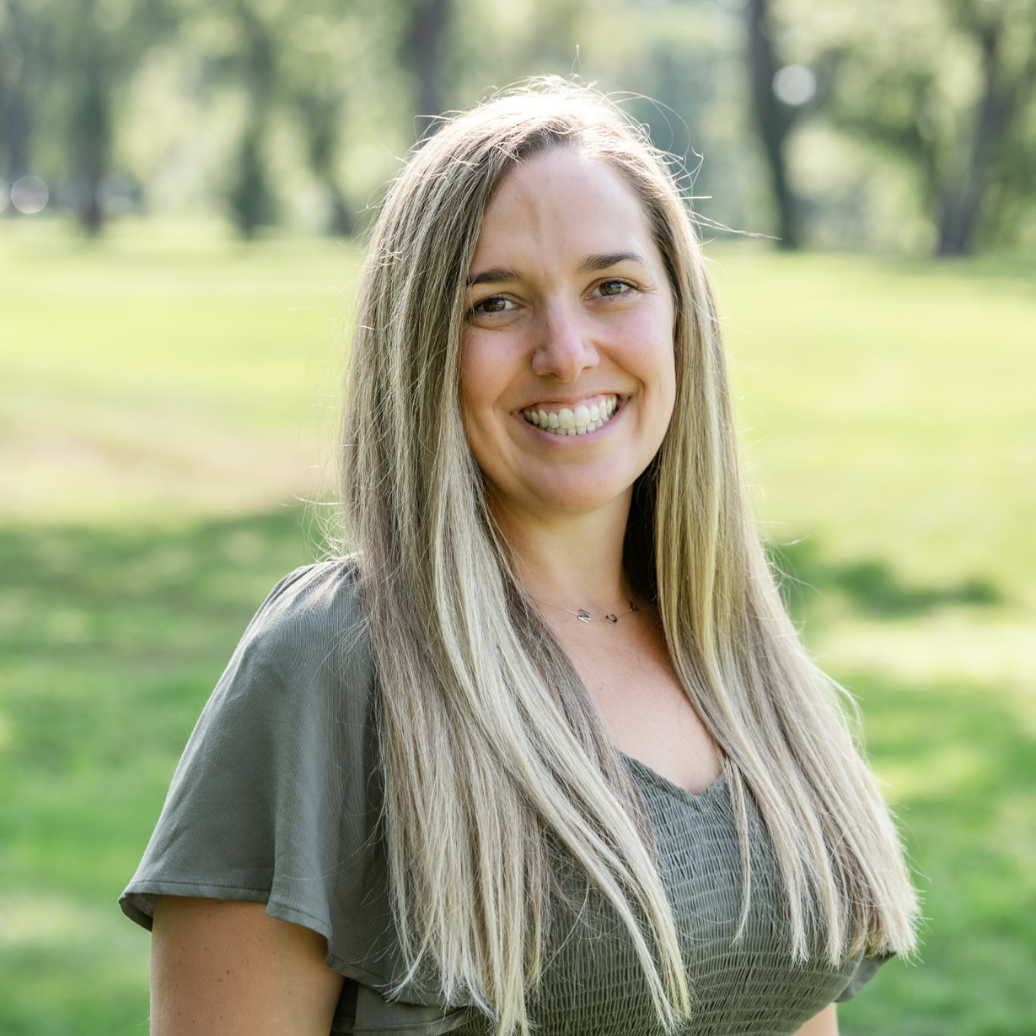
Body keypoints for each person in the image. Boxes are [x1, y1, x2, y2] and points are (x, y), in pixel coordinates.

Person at [120, 79, 918, 1036]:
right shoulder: (332, 663)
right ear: (419, 350)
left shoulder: (733, 647)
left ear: (679, 318)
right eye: (495, 305)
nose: (567, 352)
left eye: (611, 287)